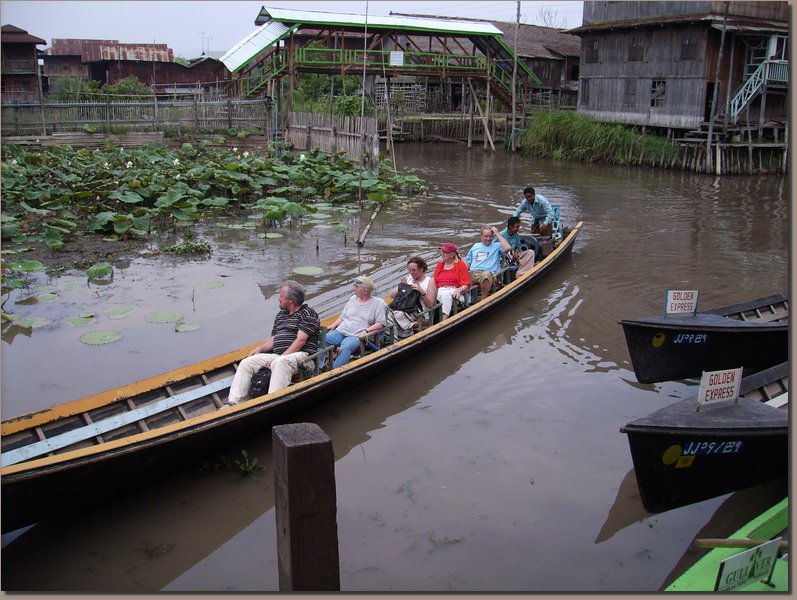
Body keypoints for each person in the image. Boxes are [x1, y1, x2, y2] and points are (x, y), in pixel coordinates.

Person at [225, 280, 319, 406]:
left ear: (291, 300)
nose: (278, 298)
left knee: (280, 363)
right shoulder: (281, 315)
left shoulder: (308, 313)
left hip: (303, 357)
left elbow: (300, 341)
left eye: (281, 296)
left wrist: (281, 357)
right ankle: (234, 403)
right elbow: (274, 339)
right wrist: (260, 348)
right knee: (247, 362)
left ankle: (272, 402)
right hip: (280, 356)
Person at [321, 275, 388, 369]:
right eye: (354, 286)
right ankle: (319, 367)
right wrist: (333, 325)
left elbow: (380, 323)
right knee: (322, 340)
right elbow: (343, 316)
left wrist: (366, 331)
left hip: (356, 335)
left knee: (345, 347)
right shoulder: (352, 299)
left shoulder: (378, 303)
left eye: (357, 286)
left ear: (365, 290)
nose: (354, 289)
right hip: (341, 331)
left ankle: (335, 371)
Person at [387, 256, 437, 336]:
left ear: (421, 269)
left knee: (397, 315)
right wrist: (403, 286)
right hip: (403, 308)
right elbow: (392, 296)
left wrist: (422, 291)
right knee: (384, 313)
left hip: (419, 313)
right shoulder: (409, 278)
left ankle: (397, 335)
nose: (411, 272)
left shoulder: (430, 281)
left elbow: (430, 305)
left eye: (413, 270)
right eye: (409, 270)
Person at [464, 225, 511, 300]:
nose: (488, 239)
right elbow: (468, 261)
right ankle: (466, 300)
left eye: (490, 236)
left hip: (488, 273)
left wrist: (497, 233)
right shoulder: (476, 246)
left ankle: (483, 300)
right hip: (474, 272)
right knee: (461, 275)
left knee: (486, 275)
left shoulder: (497, 246)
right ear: (481, 236)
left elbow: (508, 248)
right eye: (486, 236)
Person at [433, 242, 471, 319]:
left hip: (454, 290)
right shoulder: (440, 265)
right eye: (442, 252)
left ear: (452, 254)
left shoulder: (460, 264)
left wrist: (459, 290)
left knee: (446, 294)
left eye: (445, 252)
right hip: (440, 290)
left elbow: (466, 283)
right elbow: (434, 281)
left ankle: (444, 319)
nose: (442, 254)